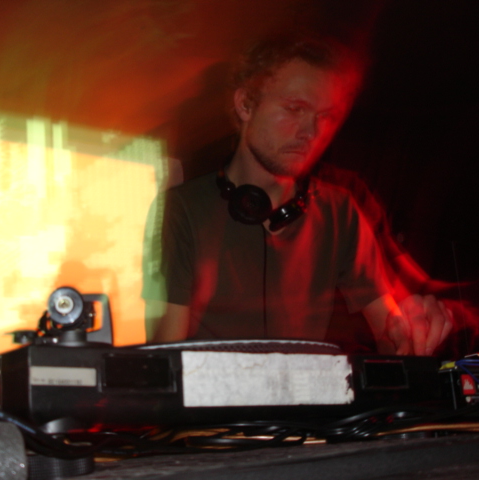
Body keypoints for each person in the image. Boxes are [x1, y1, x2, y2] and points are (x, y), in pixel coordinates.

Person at [143, 35, 453, 356]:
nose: (311, 132)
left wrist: (412, 332)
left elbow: (390, 334)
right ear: (246, 104)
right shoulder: (182, 209)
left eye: (325, 116)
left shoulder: (341, 212)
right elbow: (165, 355)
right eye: (295, 109)